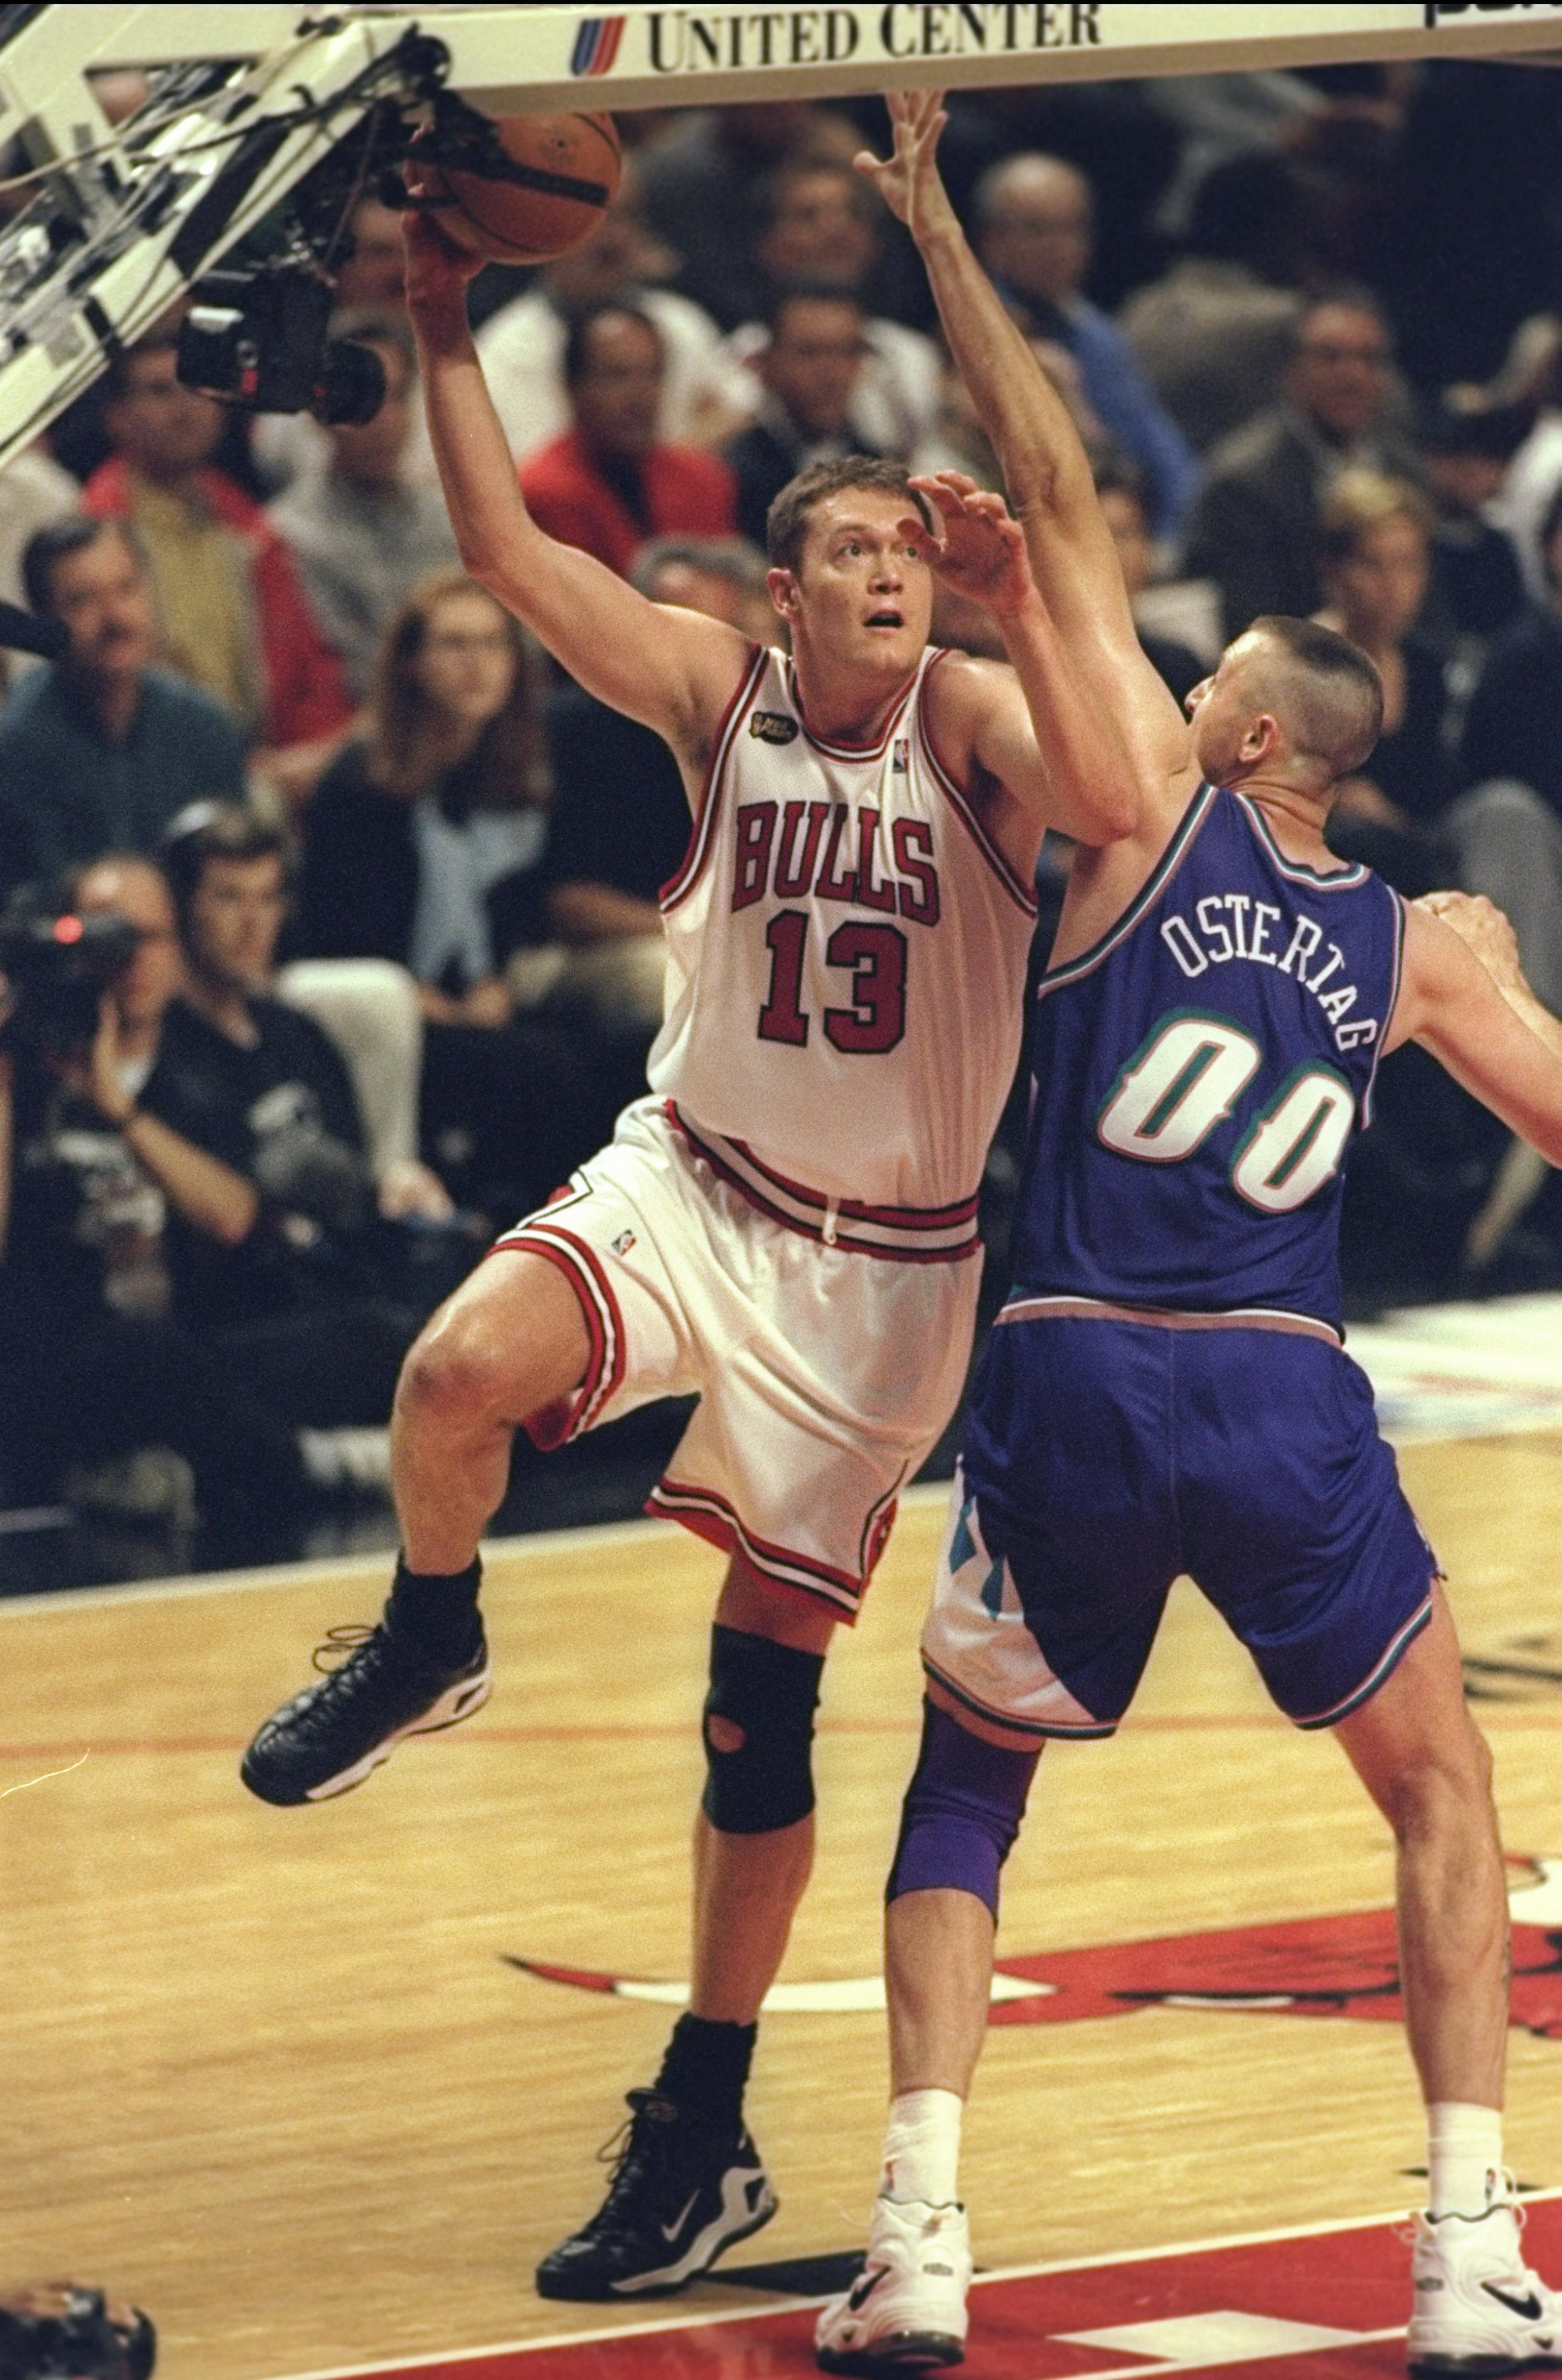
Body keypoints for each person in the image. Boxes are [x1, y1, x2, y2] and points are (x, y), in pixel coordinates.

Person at [238, 173, 1137, 2307]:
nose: (892, 576)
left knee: (760, 1723)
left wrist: (1033, 592)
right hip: (695, 1181)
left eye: (913, 556)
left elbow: (1127, 784)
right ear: (786, 583)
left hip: (888, 1277)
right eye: (859, 551)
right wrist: (447, 322)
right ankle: (429, 1630)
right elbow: (506, 558)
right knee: (455, 1371)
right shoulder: (719, 694)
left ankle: (705, 2117)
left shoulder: (988, 724)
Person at [814, 92, 1562, 2377]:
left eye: (1196, 675)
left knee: (969, 1778)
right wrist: (1505, 988)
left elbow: (1047, 491)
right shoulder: (1411, 947)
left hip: (1068, 1359)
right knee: (1443, 1792)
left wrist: (937, 216)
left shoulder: (1137, 811)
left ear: (1234, 726)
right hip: (1276, 1378)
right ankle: (1471, 2255)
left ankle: (921, 2239)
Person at [293, 571, 612, 1217]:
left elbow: (522, 911)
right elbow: (332, 929)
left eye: (494, 646)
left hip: (475, 996)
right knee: (543, 1069)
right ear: (411, 665)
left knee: (599, 1055)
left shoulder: (510, 775)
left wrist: (494, 985)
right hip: (380, 997)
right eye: (455, 646)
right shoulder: (362, 784)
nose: (479, 666)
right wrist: (439, 1003)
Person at [81, 332, 353, 801]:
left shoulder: (248, 526)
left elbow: (309, 668)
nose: (185, 406)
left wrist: (315, 758)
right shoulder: (93, 538)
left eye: (197, 385)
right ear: (116, 416)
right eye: (158, 391)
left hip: (272, 777)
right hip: (155, 784)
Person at [543, 538, 771, 1036]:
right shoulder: (583, 727)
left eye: (729, 635)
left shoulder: (778, 728)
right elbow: (574, 906)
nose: (706, 654)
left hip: (735, 942)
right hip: (579, 953)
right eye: (685, 629)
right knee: (695, 979)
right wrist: (713, 937)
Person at [0, 518, 247, 896]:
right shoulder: (17, 750)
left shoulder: (204, 726)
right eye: (82, 600)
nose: (115, 617)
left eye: (126, 588)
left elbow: (238, 873)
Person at [973, 152, 1198, 544]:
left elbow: (1159, 453)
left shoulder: (1096, 332)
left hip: (1122, 530)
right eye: (1037, 229)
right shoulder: (970, 326)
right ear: (992, 239)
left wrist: (1171, 542)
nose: (1057, 246)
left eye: (1071, 228)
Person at [1183, 293, 1416, 639]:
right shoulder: (1242, 485)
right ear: (1291, 368)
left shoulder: (1406, 470)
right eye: (1330, 357)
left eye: (1370, 359)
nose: (1352, 374)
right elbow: (1254, 633)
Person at [266, 313, 458, 701]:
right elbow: (355, 681)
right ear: (319, 412)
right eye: (361, 399)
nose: (381, 420)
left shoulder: (451, 522)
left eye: (396, 398)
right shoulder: (288, 537)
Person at [723, 160, 942, 459]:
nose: (835, 229)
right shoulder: (738, 357)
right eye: (808, 215)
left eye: (852, 212)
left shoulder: (911, 354)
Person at [517, 303, 736, 578]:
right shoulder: (543, 491)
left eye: (652, 374)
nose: (640, 396)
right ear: (574, 388)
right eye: (617, 375)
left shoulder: (703, 480)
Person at [725, 284, 882, 549]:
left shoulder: (880, 471)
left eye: (847, 351)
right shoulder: (729, 476)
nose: (832, 374)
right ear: (766, 363)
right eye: (810, 353)